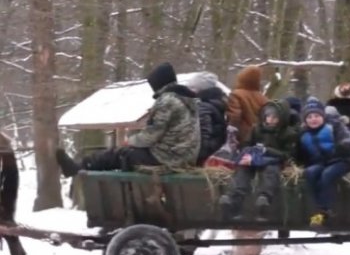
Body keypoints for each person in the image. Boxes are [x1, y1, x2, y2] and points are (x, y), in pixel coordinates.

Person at [55, 62, 201, 176]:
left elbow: (150, 136)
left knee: (119, 154)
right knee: (126, 152)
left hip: (167, 158)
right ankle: (82, 166)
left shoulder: (167, 101)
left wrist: (129, 142)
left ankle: (78, 167)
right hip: (185, 157)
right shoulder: (188, 100)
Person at [218, 100, 298, 221]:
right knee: (242, 169)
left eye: (274, 118)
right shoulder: (256, 129)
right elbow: (246, 144)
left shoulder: (288, 133)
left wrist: (266, 150)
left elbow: (288, 155)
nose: (270, 120)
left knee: (270, 171)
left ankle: (264, 198)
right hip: (254, 158)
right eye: (268, 116)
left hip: (273, 160)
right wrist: (248, 155)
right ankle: (233, 197)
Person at [296, 98, 350, 226]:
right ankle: (315, 209)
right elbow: (300, 153)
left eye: (317, 116)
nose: (313, 119)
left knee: (327, 175)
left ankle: (325, 210)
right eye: (309, 117)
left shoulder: (334, 126)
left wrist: (340, 147)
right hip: (320, 162)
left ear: (323, 116)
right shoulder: (303, 134)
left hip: (341, 160)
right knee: (310, 173)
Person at [227, 65, 269, 144]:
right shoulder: (263, 98)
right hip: (258, 136)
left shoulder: (236, 94)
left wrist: (231, 134)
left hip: (241, 136)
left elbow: (234, 116)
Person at [196, 86, 228, 165]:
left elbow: (204, 130)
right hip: (210, 150)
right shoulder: (211, 107)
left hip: (208, 150)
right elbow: (205, 130)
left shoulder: (207, 107)